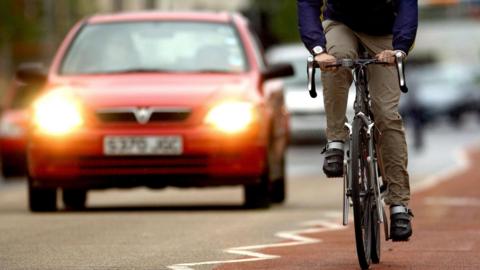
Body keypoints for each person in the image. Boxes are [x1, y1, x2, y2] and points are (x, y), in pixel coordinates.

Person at [297, 0, 418, 241]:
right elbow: (308, 4)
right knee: (337, 59)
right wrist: (318, 50)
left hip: (385, 32)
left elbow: (407, 5)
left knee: (386, 113)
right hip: (342, 25)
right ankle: (335, 140)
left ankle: (398, 205)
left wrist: (399, 48)